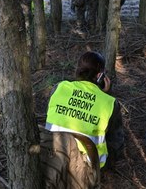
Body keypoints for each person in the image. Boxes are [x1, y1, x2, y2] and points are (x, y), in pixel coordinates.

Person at [42, 51, 124, 187]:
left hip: (51, 158)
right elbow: (117, 143)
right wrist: (105, 95)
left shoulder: (59, 88)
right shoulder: (110, 103)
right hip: (85, 170)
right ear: (100, 76)